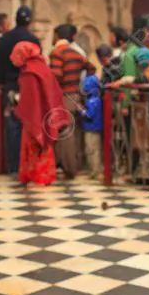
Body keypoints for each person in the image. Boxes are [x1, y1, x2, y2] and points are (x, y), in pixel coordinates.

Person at [12, 41, 68, 186]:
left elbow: (30, 99)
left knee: (32, 143)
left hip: (34, 115)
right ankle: (45, 176)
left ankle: (34, 176)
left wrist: (18, 102)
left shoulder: (29, 72)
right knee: (45, 144)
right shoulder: (43, 68)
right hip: (47, 112)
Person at [0, 5, 40, 174]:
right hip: (28, 87)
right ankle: (28, 165)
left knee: (12, 127)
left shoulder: (5, 39)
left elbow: (0, 63)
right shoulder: (33, 40)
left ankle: (14, 166)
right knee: (29, 127)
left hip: (10, 87)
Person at [49, 23, 94, 178]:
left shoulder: (57, 53)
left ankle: (69, 169)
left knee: (65, 133)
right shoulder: (76, 53)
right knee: (74, 133)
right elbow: (91, 68)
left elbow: (56, 76)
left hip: (63, 97)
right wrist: (83, 87)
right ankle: (75, 165)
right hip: (75, 96)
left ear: (57, 36)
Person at [81, 67, 103, 178]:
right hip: (94, 128)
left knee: (92, 150)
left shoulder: (92, 101)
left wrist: (81, 111)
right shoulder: (98, 99)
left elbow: (89, 115)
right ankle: (94, 171)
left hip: (91, 129)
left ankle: (95, 171)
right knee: (94, 150)